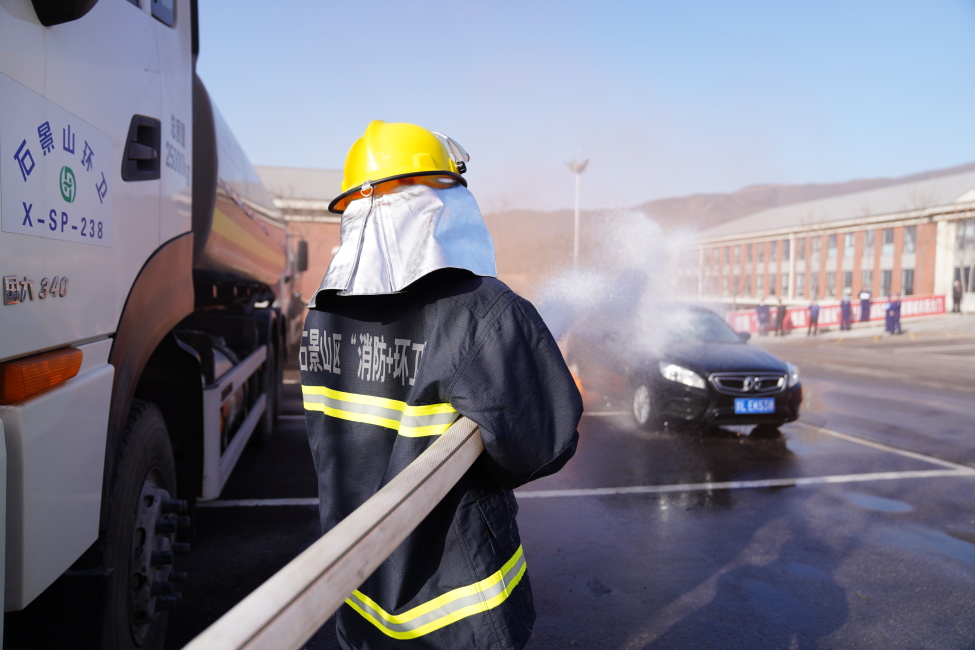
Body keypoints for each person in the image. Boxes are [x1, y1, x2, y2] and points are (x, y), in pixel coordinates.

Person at [300, 120, 582, 649]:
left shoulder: (320, 318)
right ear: (439, 200)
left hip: (358, 595)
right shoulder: (481, 310)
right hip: (460, 612)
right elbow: (542, 446)